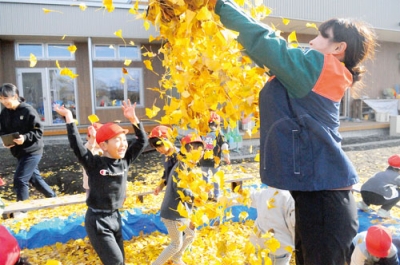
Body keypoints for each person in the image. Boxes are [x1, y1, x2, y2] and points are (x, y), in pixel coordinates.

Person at [210, 1, 377, 264]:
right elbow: (264, 54)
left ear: (338, 48)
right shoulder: (319, 72)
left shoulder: (320, 67)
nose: (312, 41)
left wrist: (218, 5)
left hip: (326, 200)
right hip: (318, 197)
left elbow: (266, 43)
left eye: (322, 35)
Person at [54, 99, 148, 265]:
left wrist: (134, 120)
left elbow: (142, 141)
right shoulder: (94, 163)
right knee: (116, 262)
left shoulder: (125, 161)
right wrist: (69, 117)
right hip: (98, 220)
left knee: (120, 261)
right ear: (104, 145)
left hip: (115, 217)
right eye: (117, 140)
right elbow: (77, 145)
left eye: (124, 140)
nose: (123, 144)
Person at [152, 134, 204, 265]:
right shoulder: (182, 166)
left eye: (202, 150)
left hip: (181, 211)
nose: (201, 153)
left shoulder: (190, 166)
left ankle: (177, 258)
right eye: (197, 150)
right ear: (187, 151)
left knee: (191, 234)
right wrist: (195, 197)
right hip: (172, 212)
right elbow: (180, 189)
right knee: (176, 243)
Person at [0, 83, 56, 205]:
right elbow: (3, 130)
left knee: (20, 180)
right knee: (34, 179)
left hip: (32, 150)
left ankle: (23, 210)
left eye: (5, 98)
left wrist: (25, 138)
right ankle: (53, 199)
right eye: (1, 99)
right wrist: (6, 141)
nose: (3, 101)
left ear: (14, 96)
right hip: (18, 152)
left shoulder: (27, 110)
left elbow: (39, 130)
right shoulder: (4, 113)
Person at [232, 186, 295, 265]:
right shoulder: (291, 199)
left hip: (257, 244)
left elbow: (245, 197)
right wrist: (296, 245)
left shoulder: (263, 193)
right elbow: (295, 226)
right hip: (279, 251)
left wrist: (224, 200)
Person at [199, 111, 230, 201]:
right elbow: (224, 146)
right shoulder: (218, 133)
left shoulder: (202, 133)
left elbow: (198, 146)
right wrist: (227, 157)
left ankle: (207, 194)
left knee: (205, 178)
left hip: (203, 160)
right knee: (216, 178)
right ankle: (217, 195)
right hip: (215, 161)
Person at [357, 154, 400, 219]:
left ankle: (363, 204)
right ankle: (384, 210)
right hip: (379, 198)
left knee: (375, 187)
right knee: (398, 192)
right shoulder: (397, 177)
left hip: (364, 193)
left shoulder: (380, 173)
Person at [148, 125, 179, 196]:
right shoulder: (166, 155)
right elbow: (167, 173)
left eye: (160, 146)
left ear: (169, 140)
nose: (158, 150)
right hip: (171, 191)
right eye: (156, 147)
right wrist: (160, 186)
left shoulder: (179, 156)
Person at [82, 122, 103, 198]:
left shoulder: (105, 148)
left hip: (105, 183)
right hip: (91, 185)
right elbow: (87, 151)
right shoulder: (89, 147)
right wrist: (93, 139)